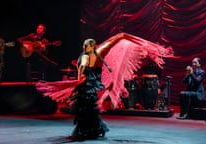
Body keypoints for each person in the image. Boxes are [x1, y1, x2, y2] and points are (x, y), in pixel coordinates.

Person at [36, 32, 175, 140]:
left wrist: (135, 41)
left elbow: (84, 72)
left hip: (89, 84)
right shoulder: (89, 55)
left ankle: (89, 130)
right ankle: (90, 130)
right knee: (87, 108)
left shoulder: (96, 52)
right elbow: (81, 71)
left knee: (88, 108)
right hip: (87, 85)